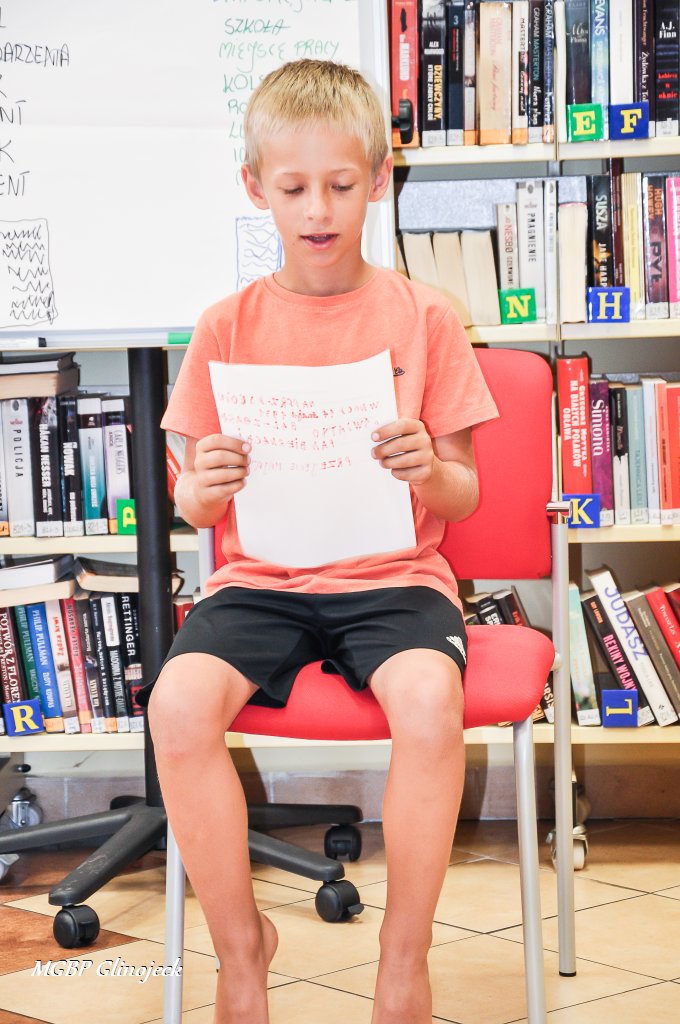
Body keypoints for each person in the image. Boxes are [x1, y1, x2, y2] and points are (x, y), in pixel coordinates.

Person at [136, 59, 498, 1024]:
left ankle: (403, 957)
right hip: (260, 582)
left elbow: (463, 493)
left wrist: (427, 469)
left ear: (378, 179)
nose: (318, 209)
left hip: (397, 579)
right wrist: (203, 486)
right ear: (255, 187)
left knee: (431, 702)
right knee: (177, 708)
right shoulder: (226, 325)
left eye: (340, 184)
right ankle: (240, 950)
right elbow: (193, 506)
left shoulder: (426, 317)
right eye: (293, 188)